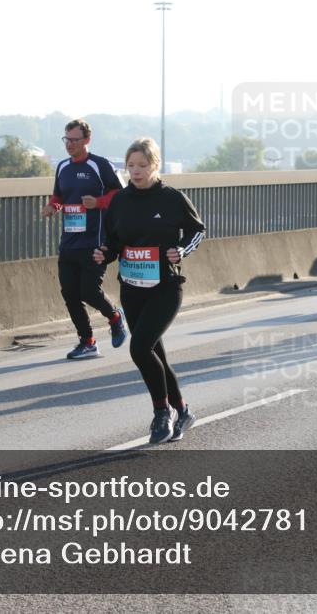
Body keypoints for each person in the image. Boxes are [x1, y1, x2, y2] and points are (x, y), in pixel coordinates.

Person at [94, 138, 206, 443]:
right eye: (131, 166)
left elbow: (198, 230)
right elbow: (115, 241)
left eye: (142, 165)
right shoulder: (120, 201)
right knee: (155, 353)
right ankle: (182, 411)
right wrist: (105, 252)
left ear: (154, 165)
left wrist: (181, 250)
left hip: (165, 287)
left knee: (139, 348)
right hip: (131, 288)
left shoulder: (172, 198)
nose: (136, 171)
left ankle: (161, 414)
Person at [41, 119, 127, 360]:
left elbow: (122, 194)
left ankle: (115, 317)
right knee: (69, 293)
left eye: (75, 140)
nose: (69, 144)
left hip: (95, 240)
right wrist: (52, 207)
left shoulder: (100, 165)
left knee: (89, 291)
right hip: (69, 241)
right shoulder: (62, 167)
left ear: (87, 140)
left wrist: (98, 203)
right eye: (66, 140)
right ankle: (87, 341)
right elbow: (59, 195)